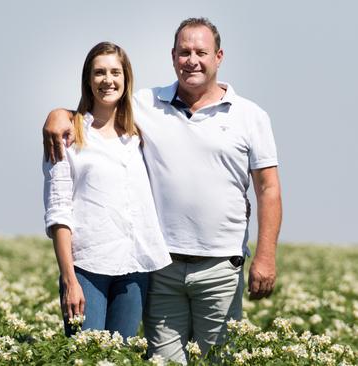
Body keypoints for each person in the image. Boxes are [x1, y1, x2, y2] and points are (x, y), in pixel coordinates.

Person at [43, 18, 282, 363]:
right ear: (173, 57)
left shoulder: (250, 115)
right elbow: (102, 105)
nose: (192, 60)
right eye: (184, 52)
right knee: (162, 361)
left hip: (221, 265)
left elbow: (269, 188)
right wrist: (58, 114)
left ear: (219, 56)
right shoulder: (146, 105)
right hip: (162, 266)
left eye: (201, 52)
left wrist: (266, 255)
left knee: (218, 359)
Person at [42, 42, 171, 339]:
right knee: (87, 356)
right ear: (88, 80)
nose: (107, 80)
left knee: (122, 356)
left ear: (126, 80)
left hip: (135, 268)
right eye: (99, 73)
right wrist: (69, 280)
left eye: (115, 72)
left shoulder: (139, 134)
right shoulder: (67, 135)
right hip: (87, 268)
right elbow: (58, 211)